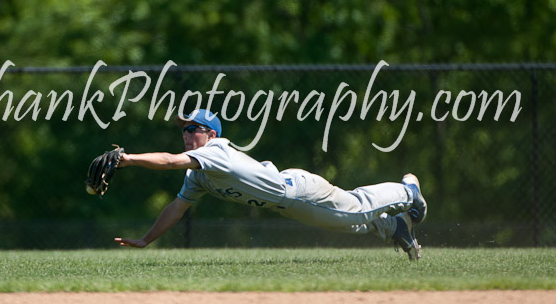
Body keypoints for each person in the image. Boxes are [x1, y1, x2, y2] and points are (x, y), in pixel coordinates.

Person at [113, 109, 428, 260]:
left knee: (356, 209)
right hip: (288, 204)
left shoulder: (216, 151)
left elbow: (169, 161)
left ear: (211, 134)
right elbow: (177, 208)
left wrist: (127, 159)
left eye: (193, 128)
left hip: (298, 191)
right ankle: (396, 229)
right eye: (183, 129)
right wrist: (146, 239)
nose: (186, 133)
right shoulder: (197, 174)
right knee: (347, 223)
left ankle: (408, 192)